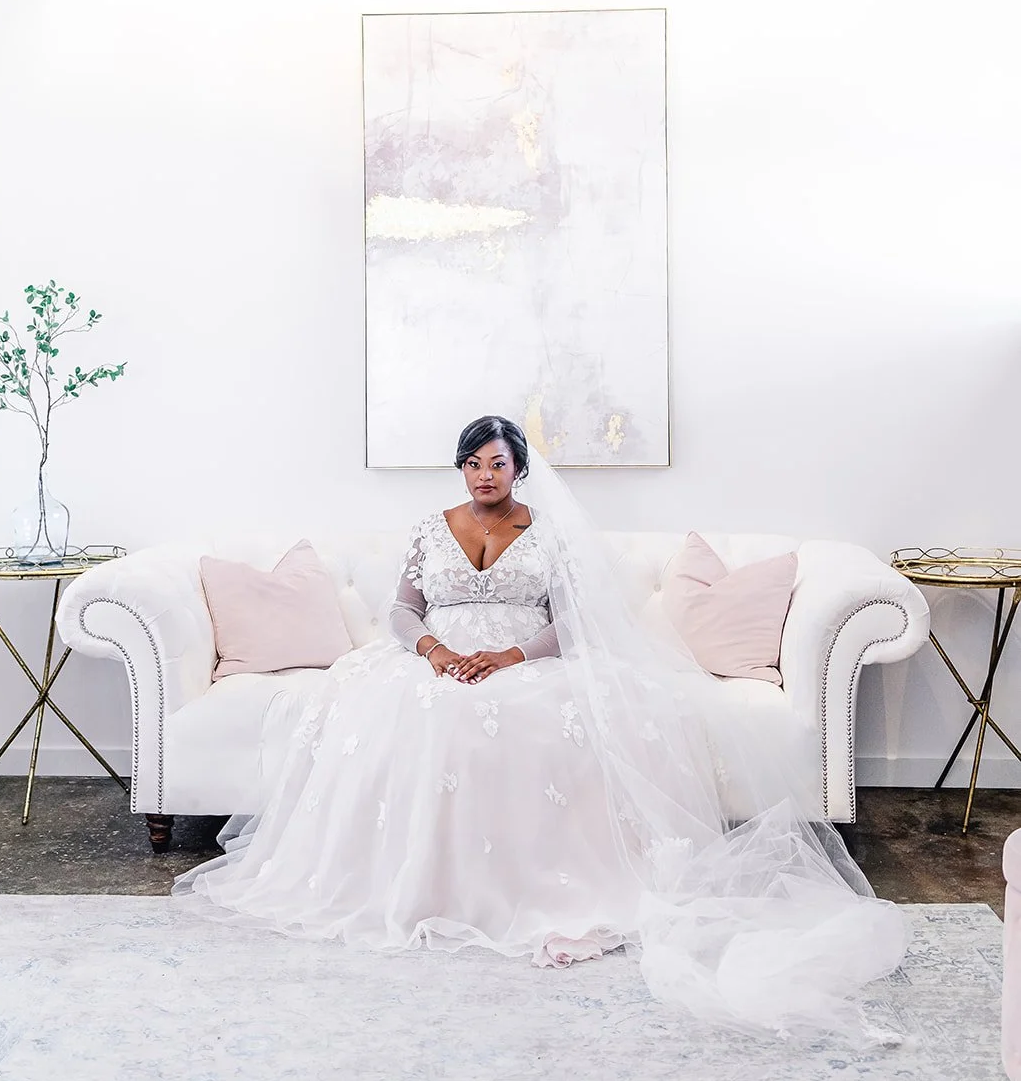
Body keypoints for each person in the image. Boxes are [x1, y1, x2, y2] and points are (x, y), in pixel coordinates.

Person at [174, 415, 908, 1043]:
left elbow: (574, 622)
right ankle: (422, 886)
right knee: (418, 717)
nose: (482, 475)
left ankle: (541, 889)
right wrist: (434, 651)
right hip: (434, 660)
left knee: (546, 723)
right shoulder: (431, 529)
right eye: (471, 463)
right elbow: (401, 610)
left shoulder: (547, 534)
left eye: (496, 464)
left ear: (519, 469)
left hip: (526, 659)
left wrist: (510, 656)